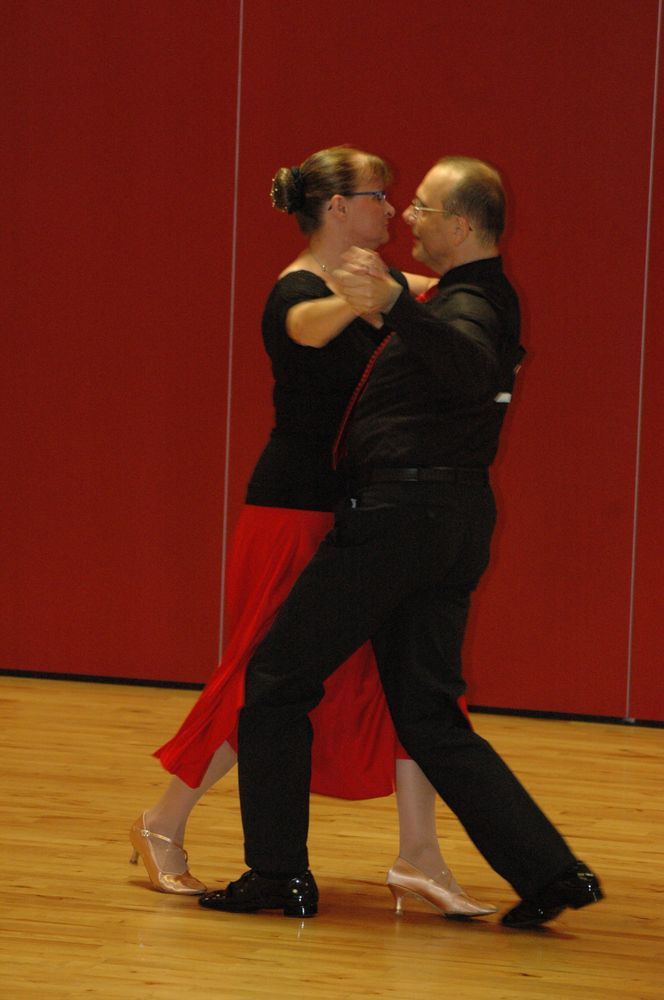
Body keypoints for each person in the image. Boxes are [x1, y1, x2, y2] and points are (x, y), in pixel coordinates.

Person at [197, 156, 603, 929]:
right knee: (428, 713)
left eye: (420, 207)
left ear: (461, 224)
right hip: (445, 520)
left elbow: (468, 366)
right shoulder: (469, 295)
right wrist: (390, 299)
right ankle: (551, 872)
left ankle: (277, 873)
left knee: (276, 677)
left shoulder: (471, 304)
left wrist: (393, 304)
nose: (407, 217)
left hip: (399, 521)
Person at [129, 146, 495, 919]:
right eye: (378, 196)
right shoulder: (296, 291)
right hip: (292, 517)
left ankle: (421, 854)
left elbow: (455, 298)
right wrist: (370, 297)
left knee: (403, 680)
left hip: (363, 518)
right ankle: (162, 823)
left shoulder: (381, 282)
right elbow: (302, 327)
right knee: (257, 681)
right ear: (337, 208)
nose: (392, 209)